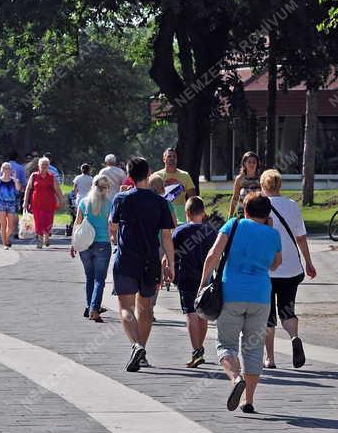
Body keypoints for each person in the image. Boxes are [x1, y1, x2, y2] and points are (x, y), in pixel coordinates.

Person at [200, 192, 281, 414]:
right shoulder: (273, 234)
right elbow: (275, 264)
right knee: (254, 349)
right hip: (261, 296)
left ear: (245, 210)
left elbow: (213, 255)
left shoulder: (233, 225)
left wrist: (203, 282)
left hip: (231, 294)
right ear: (267, 214)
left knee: (226, 344)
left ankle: (236, 379)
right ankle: (249, 400)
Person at [109, 157, 175, 372]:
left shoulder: (121, 199)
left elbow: (112, 226)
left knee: (126, 308)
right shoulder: (161, 202)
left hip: (126, 259)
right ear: (149, 174)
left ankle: (136, 346)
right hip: (150, 261)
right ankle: (142, 351)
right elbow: (167, 236)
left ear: (129, 175)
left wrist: (116, 236)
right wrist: (171, 264)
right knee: (145, 309)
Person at [260, 168, 317, 369]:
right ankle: (294, 337)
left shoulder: (260, 205)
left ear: (263, 186)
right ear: (280, 186)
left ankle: (270, 358)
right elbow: (300, 237)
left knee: (267, 314)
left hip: (266, 269)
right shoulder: (292, 205)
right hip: (291, 268)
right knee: (287, 309)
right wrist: (308, 262)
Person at [173, 195, 218, 368]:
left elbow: (173, 253)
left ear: (188, 213)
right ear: (203, 212)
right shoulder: (211, 231)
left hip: (186, 277)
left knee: (190, 313)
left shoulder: (181, 231)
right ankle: (200, 347)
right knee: (203, 313)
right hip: (205, 277)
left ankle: (196, 350)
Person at [72, 174, 112, 320]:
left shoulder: (83, 202)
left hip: (84, 244)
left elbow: (77, 223)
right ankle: (94, 309)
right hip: (103, 244)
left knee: (90, 277)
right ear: (106, 188)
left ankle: (89, 306)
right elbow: (111, 226)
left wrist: (73, 243)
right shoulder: (110, 203)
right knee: (99, 279)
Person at [24, 155, 62, 248]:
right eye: (42, 164)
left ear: (48, 166)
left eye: (46, 164)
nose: (44, 166)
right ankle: (40, 240)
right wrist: (25, 202)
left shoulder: (51, 176)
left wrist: (61, 200)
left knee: (48, 220)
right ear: (39, 166)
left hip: (49, 203)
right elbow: (28, 189)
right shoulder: (34, 176)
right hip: (36, 203)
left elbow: (57, 190)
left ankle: (46, 236)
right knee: (38, 221)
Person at [0, 161, 22, 248]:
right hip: (1, 203)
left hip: (11, 204)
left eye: (8, 168)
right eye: (5, 168)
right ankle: (5, 243)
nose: (7, 170)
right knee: (3, 225)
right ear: (2, 169)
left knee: (11, 226)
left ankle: (6, 238)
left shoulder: (13, 180)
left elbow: (18, 189)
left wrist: (15, 178)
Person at [230, 150, 262, 216]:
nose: (252, 164)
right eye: (249, 162)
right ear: (244, 163)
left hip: (257, 213)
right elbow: (235, 198)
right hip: (242, 212)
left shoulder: (261, 179)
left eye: (254, 162)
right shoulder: (239, 179)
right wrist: (230, 215)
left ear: (257, 164)